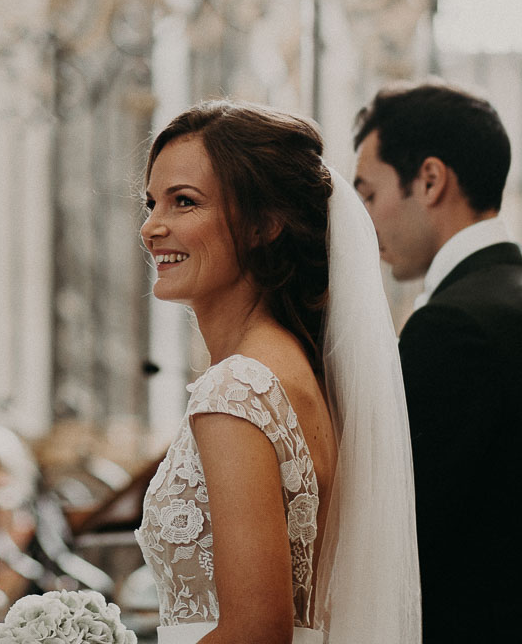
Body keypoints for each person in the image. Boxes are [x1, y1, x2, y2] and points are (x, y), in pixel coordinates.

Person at [135, 100, 420, 644]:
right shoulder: (293, 369)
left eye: (184, 202)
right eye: (152, 203)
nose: (152, 227)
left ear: (265, 224)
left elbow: (256, 635)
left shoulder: (235, 389)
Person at [352, 81, 522, 644]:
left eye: (369, 194)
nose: (363, 219)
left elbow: (404, 533)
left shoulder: (453, 326)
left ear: (430, 180)